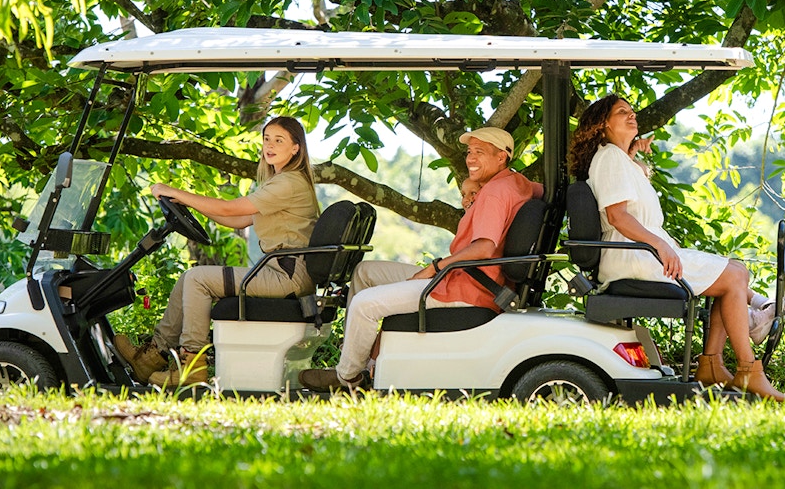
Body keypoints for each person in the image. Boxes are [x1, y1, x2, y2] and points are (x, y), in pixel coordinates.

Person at [568, 95, 785, 401]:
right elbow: (617, 216)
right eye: (621, 112)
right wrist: (658, 245)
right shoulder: (610, 159)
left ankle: (714, 361)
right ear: (602, 125)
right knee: (735, 276)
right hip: (636, 256)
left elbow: (634, 178)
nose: (632, 116)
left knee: (733, 274)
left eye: (632, 111)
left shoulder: (616, 158)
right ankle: (749, 364)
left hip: (639, 252)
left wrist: (634, 150)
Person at [299, 127, 541, 391]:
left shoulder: (494, 193)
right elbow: (543, 190)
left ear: (501, 158)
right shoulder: (518, 183)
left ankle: (348, 379)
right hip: (465, 276)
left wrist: (435, 267)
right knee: (365, 272)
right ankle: (363, 360)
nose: (470, 159)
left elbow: (484, 247)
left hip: (465, 286)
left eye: (479, 153)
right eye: (470, 152)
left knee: (363, 305)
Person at [115, 115, 321, 387]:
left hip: (286, 276)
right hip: (281, 270)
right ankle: (151, 358)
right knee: (191, 277)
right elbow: (236, 220)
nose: (269, 146)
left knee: (199, 279)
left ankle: (192, 369)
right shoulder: (279, 181)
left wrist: (177, 192)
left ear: (296, 148)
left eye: (279, 140)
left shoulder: (289, 183)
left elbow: (229, 209)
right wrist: (189, 205)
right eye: (266, 139)